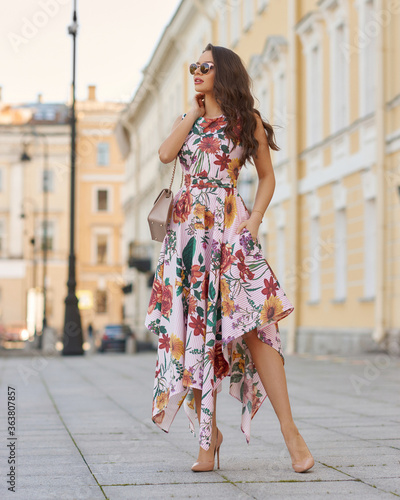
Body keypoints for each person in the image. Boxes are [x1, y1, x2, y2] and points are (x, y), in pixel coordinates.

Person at [144, 43, 314, 473]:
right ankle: (207, 442)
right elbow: (166, 156)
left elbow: (267, 177)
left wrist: (254, 220)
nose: (197, 72)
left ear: (226, 73)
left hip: (230, 232)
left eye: (206, 67)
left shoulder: (246, 122)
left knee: (257, 325)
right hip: (187, 241)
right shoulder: (190, 122)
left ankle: (292, 434)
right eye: (194, 67)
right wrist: (192, 113)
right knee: (195, 334)